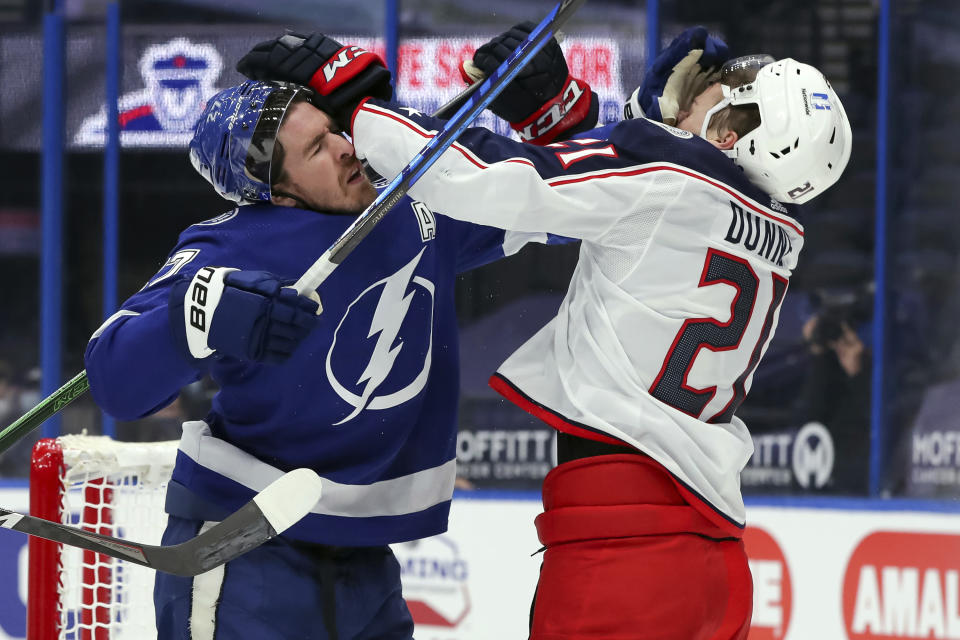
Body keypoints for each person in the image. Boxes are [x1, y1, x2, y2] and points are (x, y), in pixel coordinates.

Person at [345, 25, 853, 639]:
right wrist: (557, 113)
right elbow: (630, 213)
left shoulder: (670, 182)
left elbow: (479, 175)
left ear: (728, 134)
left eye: (714, 90)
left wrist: (350, 109)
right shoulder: (773, 229)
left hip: (624, 556)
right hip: (711, 560)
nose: (692, 91)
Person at [83, 34, 566, 639]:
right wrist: (195, 316)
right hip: (243, 549)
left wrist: (556, 118)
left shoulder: (417, 208)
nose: (345, 148)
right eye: (316, 146)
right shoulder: (231, 243)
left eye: (335, 131)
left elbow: (565, 211)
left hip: (364, 559)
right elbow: (112, 375)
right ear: (275, 190)